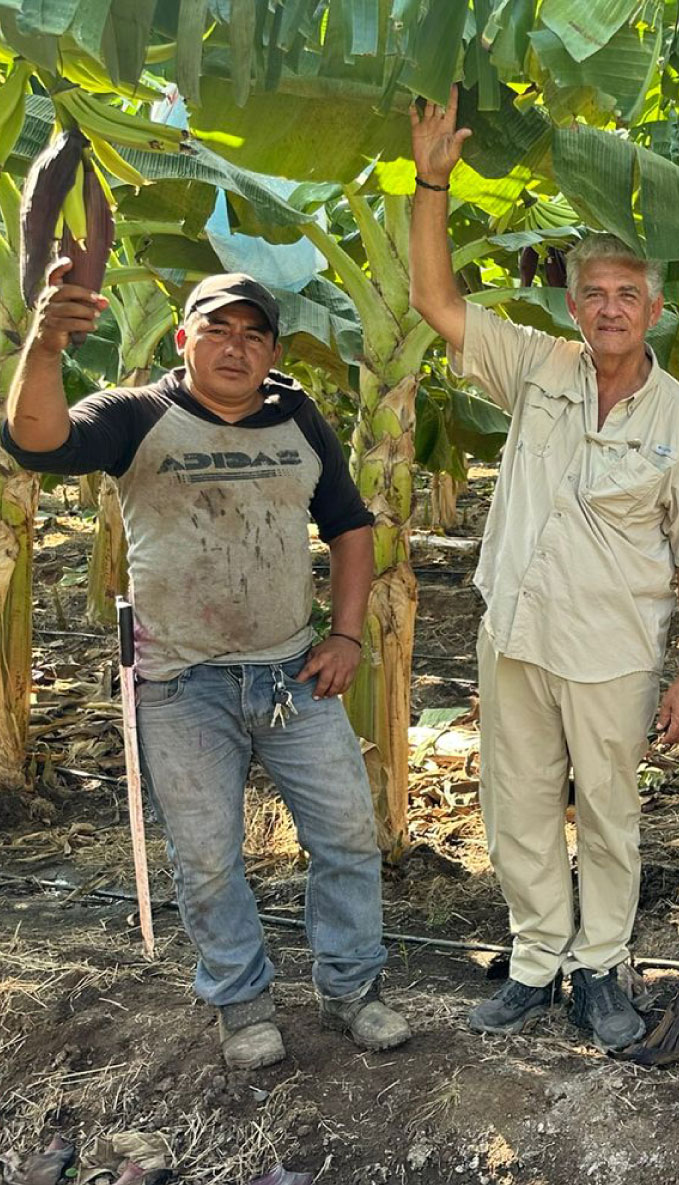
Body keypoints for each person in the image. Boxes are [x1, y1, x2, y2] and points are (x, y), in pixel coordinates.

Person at [4, 266, 411, 1069]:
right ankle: (242, 1000)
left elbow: (351, 527)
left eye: (254, 333)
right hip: (180, 684)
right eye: (217, 330)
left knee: (346, 838)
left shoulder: (298, 417)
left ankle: (352, 988)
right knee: (209, 858)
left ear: (271, 350)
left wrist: (349, 636)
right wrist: (47, 343)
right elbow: (36, 440)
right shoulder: (138, 415)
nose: (235, 346)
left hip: (294, 674)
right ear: (185, 339)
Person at [408, 89, 679, 1049]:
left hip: (612, 650)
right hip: (514, 631)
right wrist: (433, 180)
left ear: (654, 308)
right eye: (594, 292)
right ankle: (533, 958)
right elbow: (437, 301)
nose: (608, 309)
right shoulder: (536, 368)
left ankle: (601, 966)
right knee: (514, 805)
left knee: (608, 814)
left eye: (626, 295)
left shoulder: (678, 416)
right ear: (573, 302)